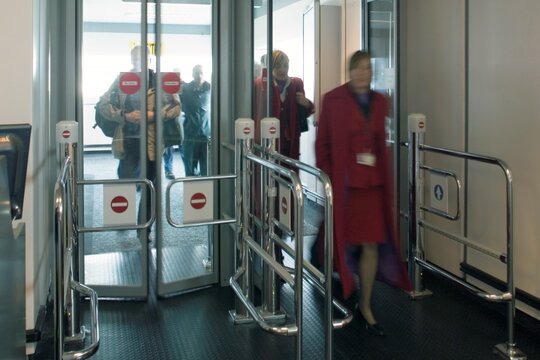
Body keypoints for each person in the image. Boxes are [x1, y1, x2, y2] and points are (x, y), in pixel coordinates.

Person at [314, 50, 411, 336]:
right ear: (350, 71)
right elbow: (322, 145)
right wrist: (329, 178)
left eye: (367, 69)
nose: (363, 74)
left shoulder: (381, 102)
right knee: (341, 239)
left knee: (370, 244)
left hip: (372, 187)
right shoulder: (332, 100)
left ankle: (366, 306)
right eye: (358, 69)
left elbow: (381, 143)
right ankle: (335, 276)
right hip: (345, 187)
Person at [98, 45, 180, 238]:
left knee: (150, 186)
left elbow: (176, 107)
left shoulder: (160, 80)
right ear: (131, 59)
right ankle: (122, 219)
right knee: (125, 180)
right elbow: (103, 104)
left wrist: (154, 115)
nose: (139, 62)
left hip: (152, 144)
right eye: (136, 58)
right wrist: (124, 116)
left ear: (150, 59)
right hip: (128, 142)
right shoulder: (122, 79)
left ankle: (144, 228)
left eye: (143, 58)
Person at [254, 50, 314, 160]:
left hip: (290, 143)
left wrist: (307, 103)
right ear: (271, 67)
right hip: (269, 140)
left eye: (285, 66)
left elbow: (306, 112)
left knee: (289, 173)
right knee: (270, 173)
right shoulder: (261, 85)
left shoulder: (296, 84)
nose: (283, 70)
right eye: (278, 67)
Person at [180, 64, 211, 176]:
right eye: (197, 73)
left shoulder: (210, 88)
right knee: (189, 167)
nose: (199, 75)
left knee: (205, 168)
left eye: (201, 73)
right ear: (192, 74)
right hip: (190, 133)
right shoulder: (185, 89)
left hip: (205, 133)